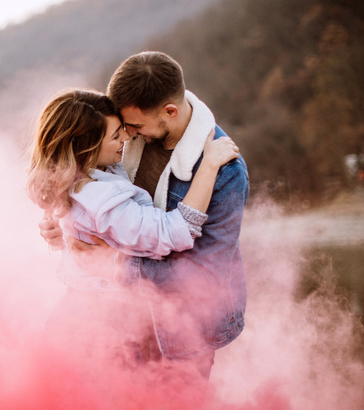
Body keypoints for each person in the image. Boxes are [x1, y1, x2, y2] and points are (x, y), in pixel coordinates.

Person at [40, 52, 250, 382]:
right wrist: (64, 229)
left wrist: (116, 264)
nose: (127, 136)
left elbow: (205, 276)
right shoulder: (120, 144)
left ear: (170, 111)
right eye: (120, 129)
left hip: (182, 331)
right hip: (122, 320)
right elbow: (96, 205)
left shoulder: (224, 171)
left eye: (134, 127)